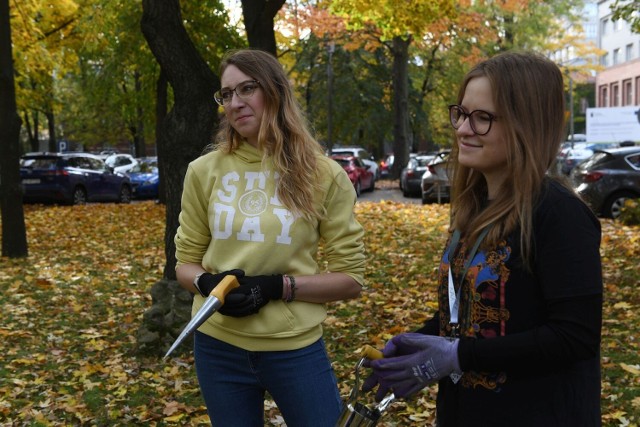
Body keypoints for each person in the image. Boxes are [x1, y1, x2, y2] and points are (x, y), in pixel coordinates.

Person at [363, 51, 603, 426]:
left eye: (483, 118)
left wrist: (459, 356)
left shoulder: (559, 213)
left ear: (528, 123)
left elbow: (575, 336)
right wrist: (419, 342)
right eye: (460, 113)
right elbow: (471, 314)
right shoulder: (473, 208)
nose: (462, 129)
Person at [173, 48, 366, 426]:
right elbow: (184, 264)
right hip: (218, 346)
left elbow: (351, 279)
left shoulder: (323, 174)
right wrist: (206, 283)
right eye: (226, 94)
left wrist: (278, 286)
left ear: (276, 93)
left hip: (294, 349)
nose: (235, 102)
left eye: (248, 88)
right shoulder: (203, 171)